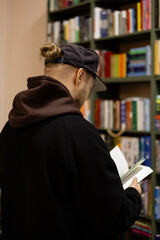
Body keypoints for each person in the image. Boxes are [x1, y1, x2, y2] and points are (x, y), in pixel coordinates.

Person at [0, 42, 142, 240]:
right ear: (80, 76)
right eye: (90, 87)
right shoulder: (79, 133)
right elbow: (114, 217)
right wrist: (133, 195)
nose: (87, 95)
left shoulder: (11, 126)